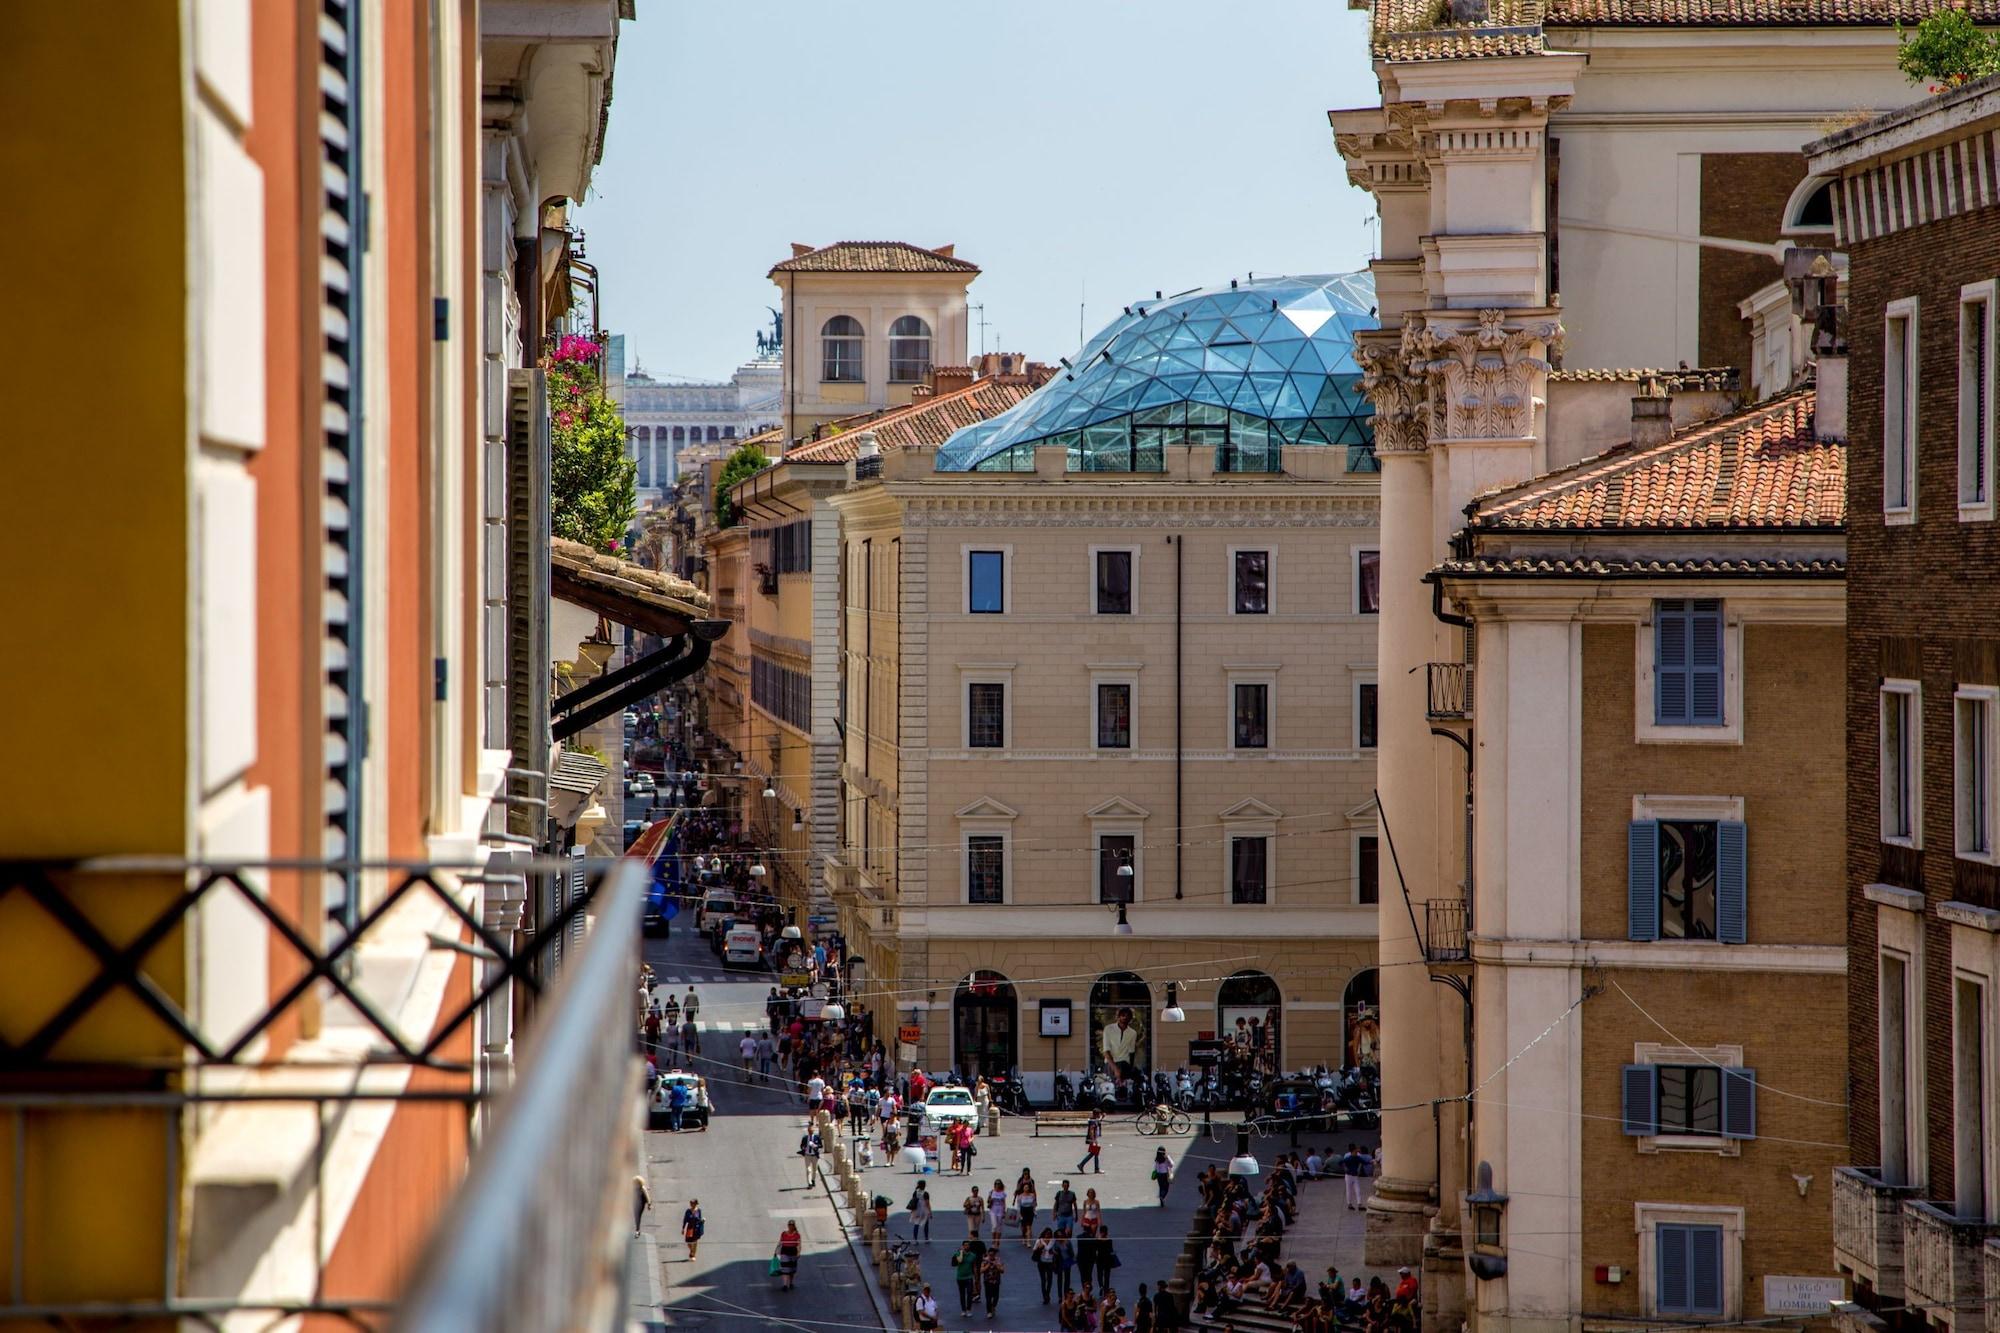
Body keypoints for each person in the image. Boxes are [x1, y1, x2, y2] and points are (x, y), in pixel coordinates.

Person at [1100, 1007, 1142, 1086]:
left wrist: (1131, 1068)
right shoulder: (1108, 1029)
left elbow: (1131, 1052)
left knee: (1126, 1091)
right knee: (1111, 1089)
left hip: (1124, 1064)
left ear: (1130, 1019)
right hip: (1110, 1065)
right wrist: (1115, 1069)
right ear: (1118, 1017)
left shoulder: (1133, 1033)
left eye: (1128, 1016)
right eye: (1123, 1015)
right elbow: (1106, 1051)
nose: (1125, 1017)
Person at [952, 1240, 982, 1317]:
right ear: (963, 1246)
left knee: (969, 1293)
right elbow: (959, 1261)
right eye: (965, 1245)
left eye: (968, 1245)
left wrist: (976, 1277)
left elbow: (974, 1267)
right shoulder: (958, 1253)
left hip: (969, 1277)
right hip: (960, 1277)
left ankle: (968, 1309)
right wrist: (961, 1252)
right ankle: (963, 1310)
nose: (966, 1246)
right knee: (962, 1294)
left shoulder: (972, 1255)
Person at [774, 1219, 802, 1291]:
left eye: (792, 1225)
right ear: (788, 1225)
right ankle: (785, 1285)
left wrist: (798, 1252)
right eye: (789, 1225)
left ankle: (791, 1283)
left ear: (794, 1226)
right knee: (785, 1269)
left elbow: (799, 1244)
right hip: (784, 1252)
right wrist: (776, 1251)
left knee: (792, 1270)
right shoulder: (783, 1233)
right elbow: (780, 1242)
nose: (790, 1226)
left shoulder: (797, 1235)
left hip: (793, 1252)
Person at [1033, 1227, 1059, 1303]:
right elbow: (1034, 1250)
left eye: (1049, 1234)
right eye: (1047, 1234)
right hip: (1041, 1262)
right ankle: (1045, 1296)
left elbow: (1057, 1252)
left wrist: (1053, 1252)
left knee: (1050, 1280)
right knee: (1043, 1280)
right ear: (1044, 1233)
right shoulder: (1039, 1240)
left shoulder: (1053, 1241)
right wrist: (1039, 1248)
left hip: (1050, 1262)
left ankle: (1048, 1293)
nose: (1048, 1235)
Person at [980, 1245, 1007, 1316]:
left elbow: (1002, 1270)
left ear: (995, 1254)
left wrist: (996, 1266)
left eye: (992, 1255)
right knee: (988, 1297)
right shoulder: (985, 1260)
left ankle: (993, 1306)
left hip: (996, 1281)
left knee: (996, 1297)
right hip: (987, 1281)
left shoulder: (998, 1260)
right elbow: (981, 1271)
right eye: (990, 1255)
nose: (991, 1256)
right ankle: (989, 1312)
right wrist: (988, 1265)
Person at [1339, 1144, 1367, 1210]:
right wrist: (1345, 1167)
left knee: (1357, 1190)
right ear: (1353, 1150)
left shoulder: (1355, 1157)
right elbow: (1341, 1162)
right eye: (1356, 1150)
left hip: (1353, 1175)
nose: (1357, 1151)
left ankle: (1358, 1204)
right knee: (1350, 1190)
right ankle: (1350, 1204)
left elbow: (1364, 1162)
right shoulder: (1350, 1158)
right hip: (1349, 1176)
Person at [1076, 1107, 1105, 1174]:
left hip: (1094, 1138)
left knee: (1096, 1153)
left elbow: (1099, 1121)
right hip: (1092, 1139)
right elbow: (1091, 1131)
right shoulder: (1092, 1121)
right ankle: (1081, 1164)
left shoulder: (1095, 1120)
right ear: (1096, 1115)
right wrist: (1093, 1140)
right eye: (1099, 1114)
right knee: (1093, 1153)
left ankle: (1096, 1169)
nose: (1100, 1116)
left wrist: (1102, 1117)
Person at [1094, 1223, 1119, 1293]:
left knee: (1099, 1274)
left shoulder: (1097, 1240)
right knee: (1107, 1276)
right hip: (1107, 1260)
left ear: (1100, 1232)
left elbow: (1095, 1250)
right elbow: (1111, 1250)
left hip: (1100, 1259)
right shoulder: (1109, 1240)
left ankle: (1101, 1286)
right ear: (1106, 1232)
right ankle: (1106, 1289)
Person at [1016, 1169, 1039, 1240]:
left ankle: (1028, 1232)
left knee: (1029, 1221)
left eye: (1027, 1173)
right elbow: (1017, 1189)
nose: (1026, 1175)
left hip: (1029, 1198)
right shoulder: (1020, 1180)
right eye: (1024, 1173)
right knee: (1022, 1220)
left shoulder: (1031, 1181)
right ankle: (1024, 1232)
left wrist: (1035, 1200)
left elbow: (1034, 1190)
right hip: (1022, 1198)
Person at [987, 1178, 1009, 1242]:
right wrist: (990, 1199)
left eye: (998, 1184)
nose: (997, 1185)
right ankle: (994, 1240)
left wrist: (1004, 1212)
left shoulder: (1003, 1193)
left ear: (1000, 1185)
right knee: (994, 1226)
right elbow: (988, 1201)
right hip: (993, 1210)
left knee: (999, 1226)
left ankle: (997, 1241)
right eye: (996, 1184)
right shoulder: (991, 1192)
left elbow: (1004, 1203)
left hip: (1000, 1209)